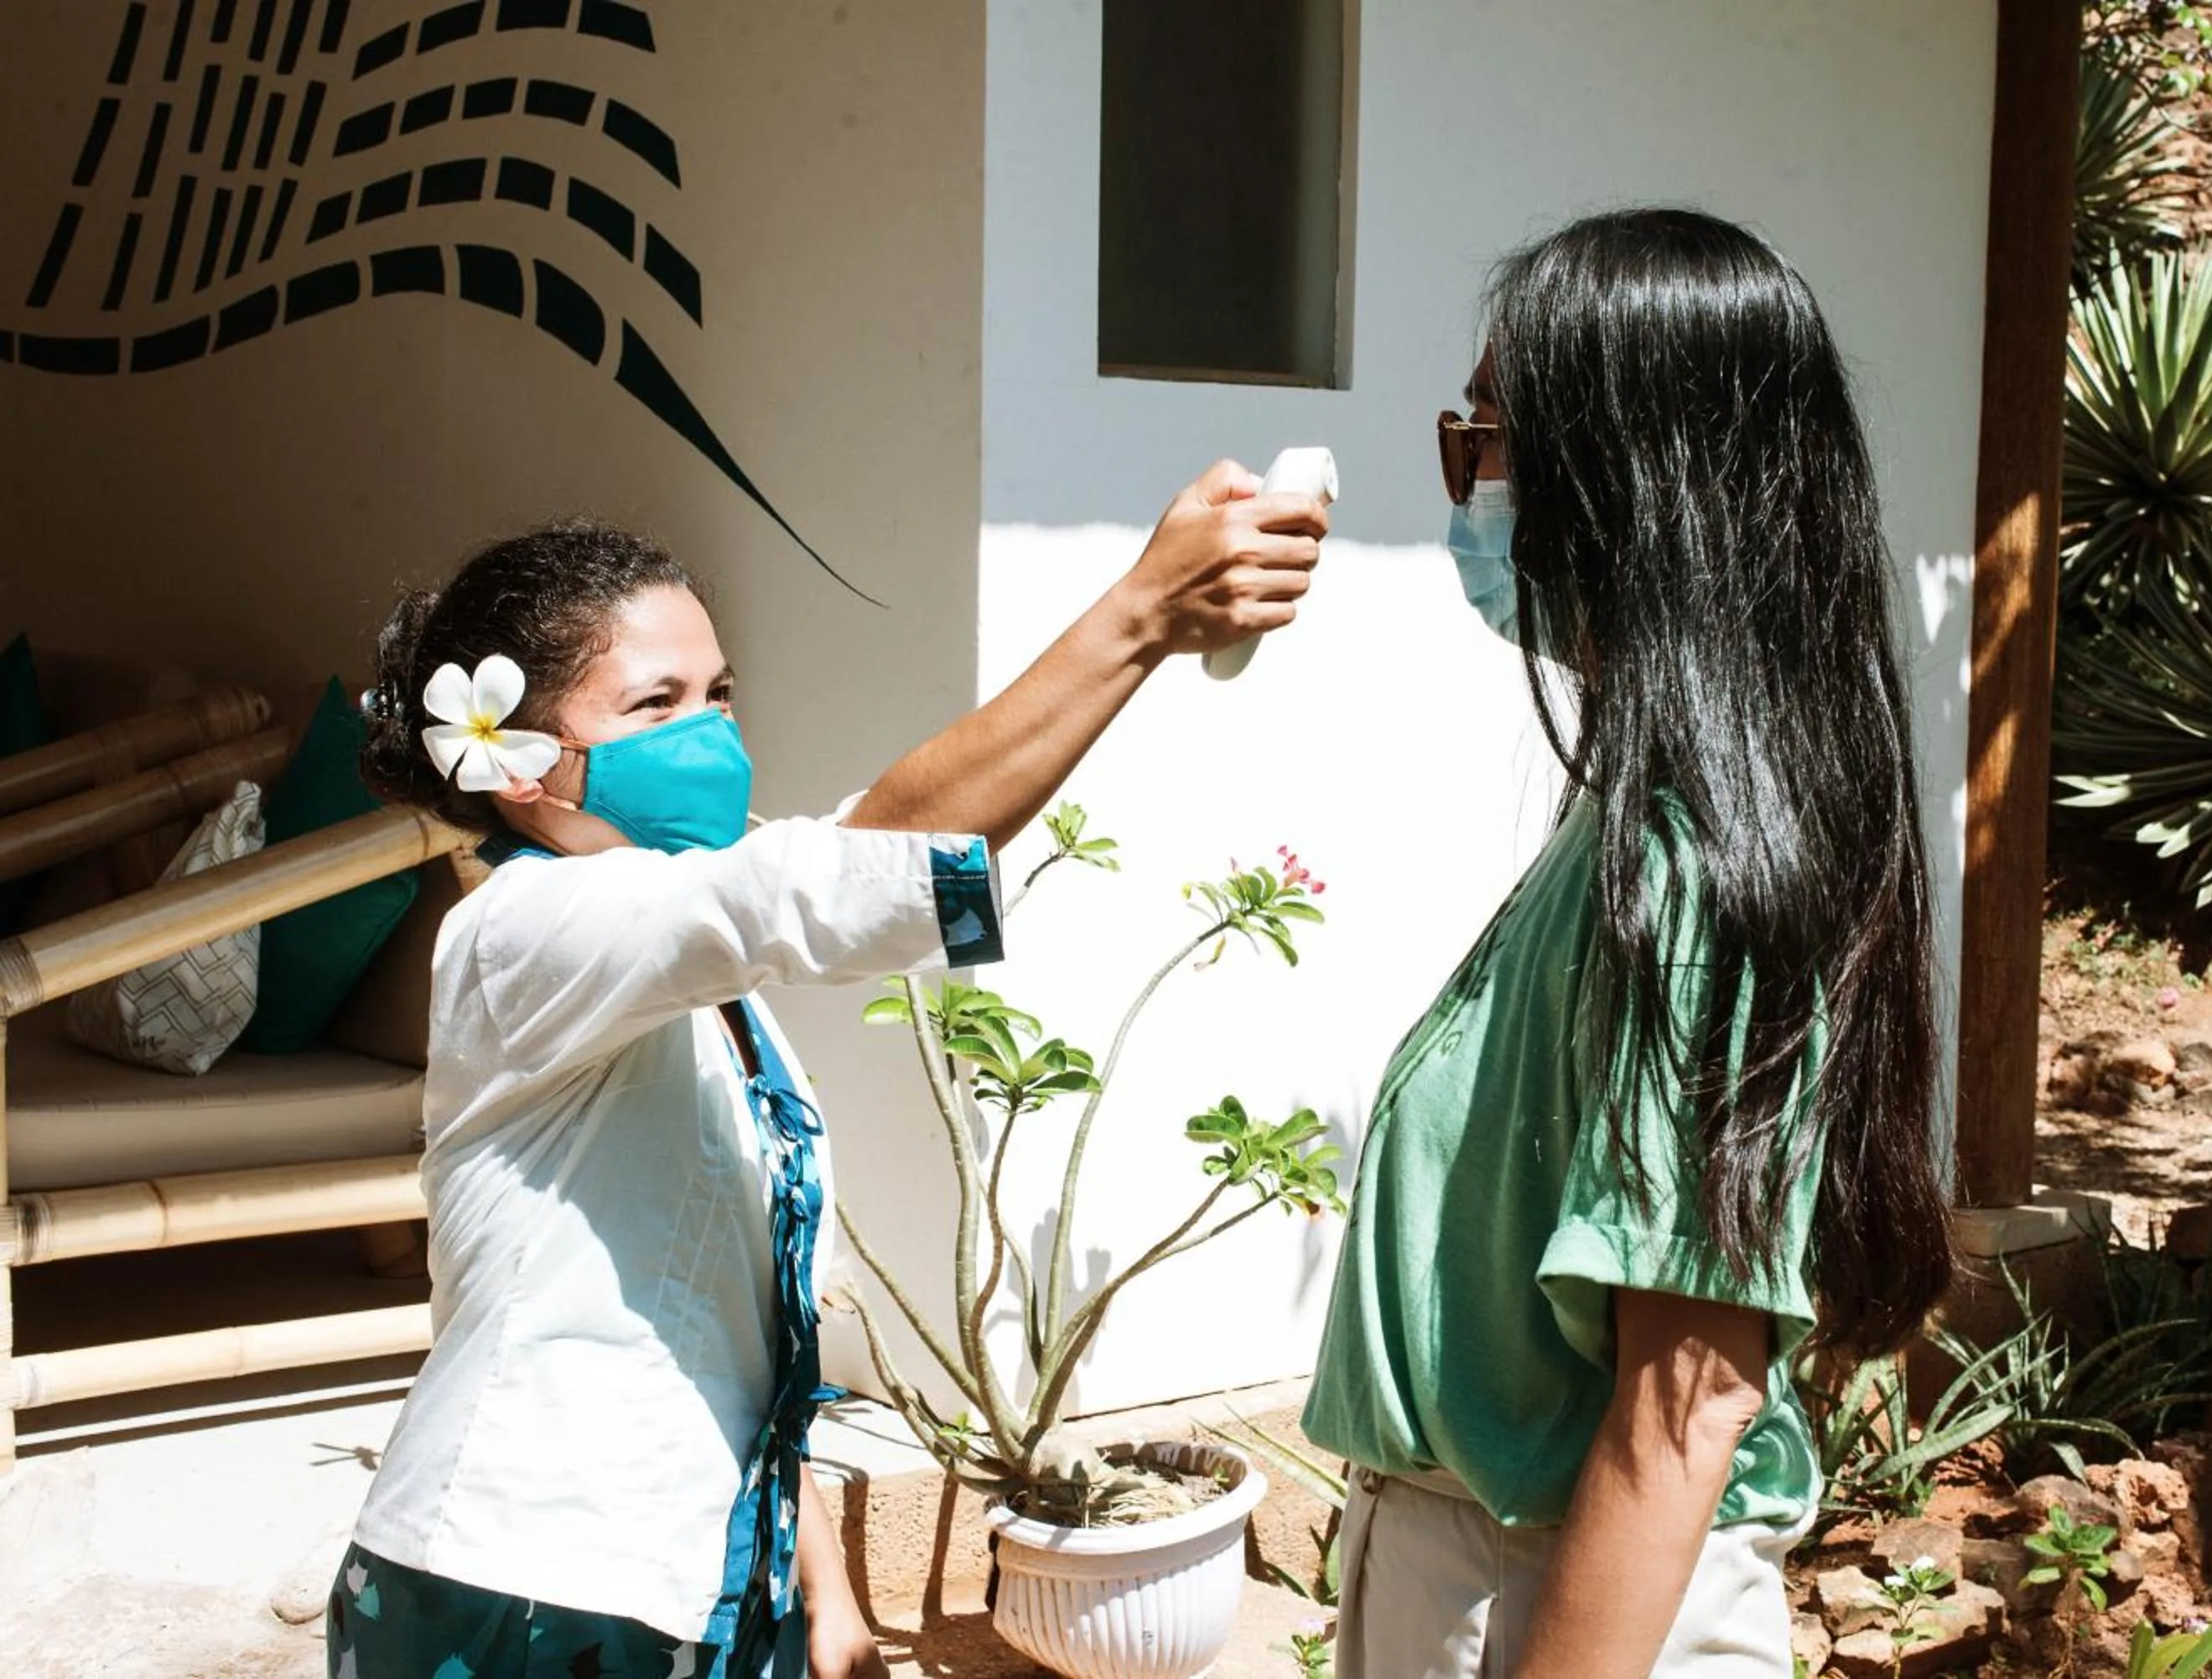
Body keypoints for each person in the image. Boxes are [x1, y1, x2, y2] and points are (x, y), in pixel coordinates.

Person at [327, 464, 1328, 1679]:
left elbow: (732, 1321)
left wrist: (825, 1585)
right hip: (524, 1591)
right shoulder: (522, 933)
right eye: (656, 704)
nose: (711, 732)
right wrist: (1138, 617)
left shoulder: (697, 970)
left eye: (720, 692)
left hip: (697, 1578)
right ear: (516, 763)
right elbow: (834, 873)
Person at [1302, 208, 1953, 1678]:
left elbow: (1687, 1406)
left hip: (1565, 1605)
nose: (1469, 485)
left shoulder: (1701, 873)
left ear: (1632, 481)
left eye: (1488, 440)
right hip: (1496, 1575)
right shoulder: (1636, 825)